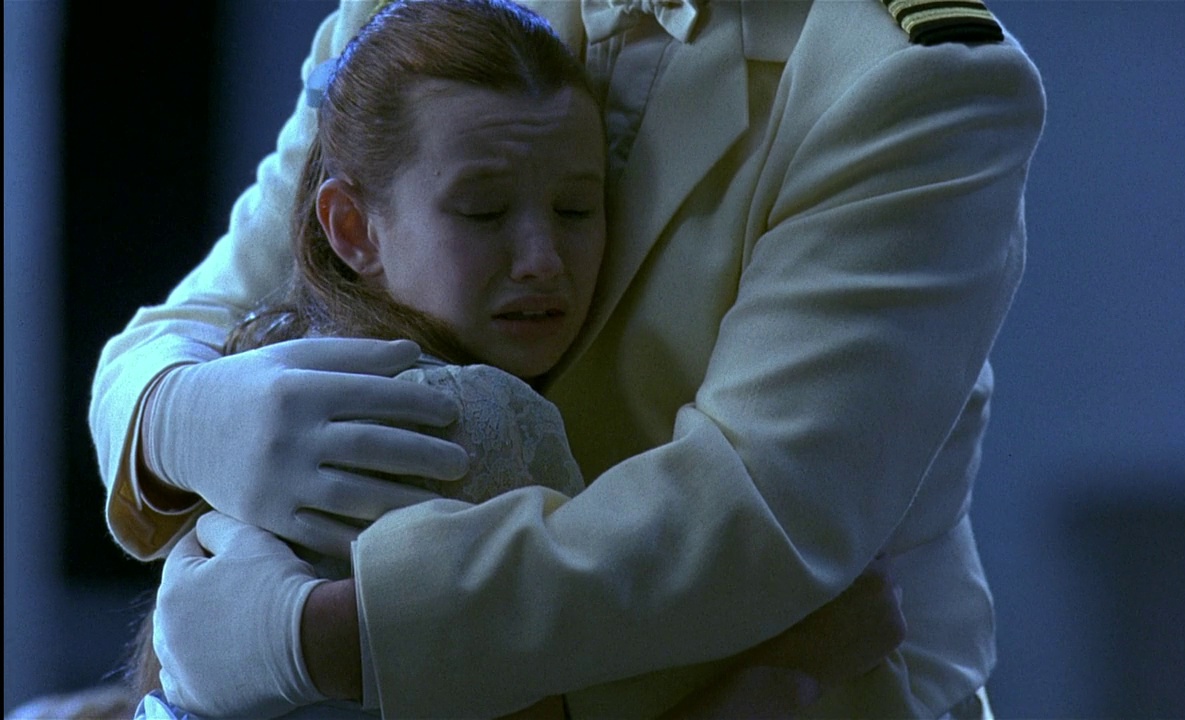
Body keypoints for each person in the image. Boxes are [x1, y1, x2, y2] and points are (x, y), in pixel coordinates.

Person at [91, 0, 1047, 716]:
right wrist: (177, 414)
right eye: (483, 212)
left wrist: (326, 637)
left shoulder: (904, 77)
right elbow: (203, 311)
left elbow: (758, 511)